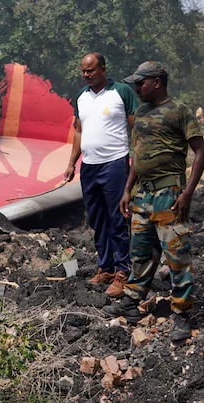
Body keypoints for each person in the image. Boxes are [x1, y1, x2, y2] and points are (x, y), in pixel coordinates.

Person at [103, 61, 204, 342]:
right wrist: (127, 190)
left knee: (176, 255)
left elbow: (200, 152)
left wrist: (187, 193)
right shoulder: (142, 113)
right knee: (141, 252)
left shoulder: (179, 111)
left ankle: (181, 314)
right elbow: (137, 156)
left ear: (157, 82)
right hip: (143, 195)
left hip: (169, 195)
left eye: (141, 83)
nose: (137, 88)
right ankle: (131, 302)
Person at [63, 52, 137, 297]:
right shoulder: (82, 98)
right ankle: (105, 267)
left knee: (117, 218)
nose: (86, 75)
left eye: (91, 70)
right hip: (90, 165)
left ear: (103, 69)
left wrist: (137, 157)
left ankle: (122, 271)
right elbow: (78, 131)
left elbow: (135, 125)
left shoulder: (121, 92)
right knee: (97, 219)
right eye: (83, 71)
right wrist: (72, 162)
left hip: (114, 163)